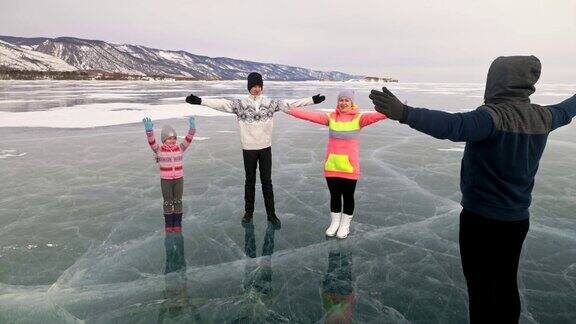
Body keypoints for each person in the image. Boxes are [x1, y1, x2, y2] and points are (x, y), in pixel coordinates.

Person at [369, 55, 576, 323]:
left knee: (480, 289)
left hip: (481, 221)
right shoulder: (543, 116)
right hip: (516, 220)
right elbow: (567, 109)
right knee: (505, 283)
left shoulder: (492, 117)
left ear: (497, 82)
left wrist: (406, 114)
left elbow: (453, 126)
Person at [185, 72, 325, 227]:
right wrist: (200, 101)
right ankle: (248, 213)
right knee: (249, 182)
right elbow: (221, 104)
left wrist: (311, 100)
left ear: (262, 87)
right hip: (249, 148)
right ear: (249, 87)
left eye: (259, 86)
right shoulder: (240, 104)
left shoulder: (270, 103)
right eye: (253, 86)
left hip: (265, 147)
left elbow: (291, 103)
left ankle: (271, 214)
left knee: (267, 182)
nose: (256, 89)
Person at [285, 90, 387, 238]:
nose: (343, 103)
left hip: (349, 167)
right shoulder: (331, 117)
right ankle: (334, 223)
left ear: (352, 103)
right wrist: (289, 111)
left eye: (346, 100)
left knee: (348, 196)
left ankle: (345, 225)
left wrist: (398, 110)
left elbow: (377, 116)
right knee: (334, 196)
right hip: (332, 165)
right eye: (341, 100)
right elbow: (310, 116)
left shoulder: (359, 119)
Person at [143, 116, 196, 233]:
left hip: (178, 179)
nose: (172, 140)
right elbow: (152, 142)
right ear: (163, 139)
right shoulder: (159, 150)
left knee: (178, 200)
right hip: (165, 180)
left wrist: (192, 130)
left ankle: (177, 223)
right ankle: (168, 224)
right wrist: (149, 132)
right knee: (167, 201)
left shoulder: (180, 148)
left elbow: (188, 140)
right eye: (169, 138)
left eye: (174, 138)